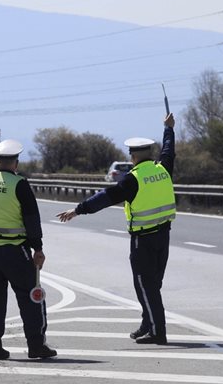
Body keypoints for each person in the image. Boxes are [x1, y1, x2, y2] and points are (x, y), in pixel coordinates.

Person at [57, 113, 176, 345]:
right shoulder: (163, 169)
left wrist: (78, 210)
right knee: (152, 283)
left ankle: (157, 331)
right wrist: (169, 129)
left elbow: (105, 197)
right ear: (150, 153)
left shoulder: (133, 179)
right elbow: (169, 150)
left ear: (132, 156)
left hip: (143, 239)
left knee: (145, 285)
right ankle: (147, 323)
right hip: (163, 236)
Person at [0, 139, 57, 360]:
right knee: (31, 297)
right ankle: (36, 346)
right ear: (15, 163)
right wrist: (38, 248)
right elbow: (32, 219)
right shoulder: (20, 184)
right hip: (16, 251)